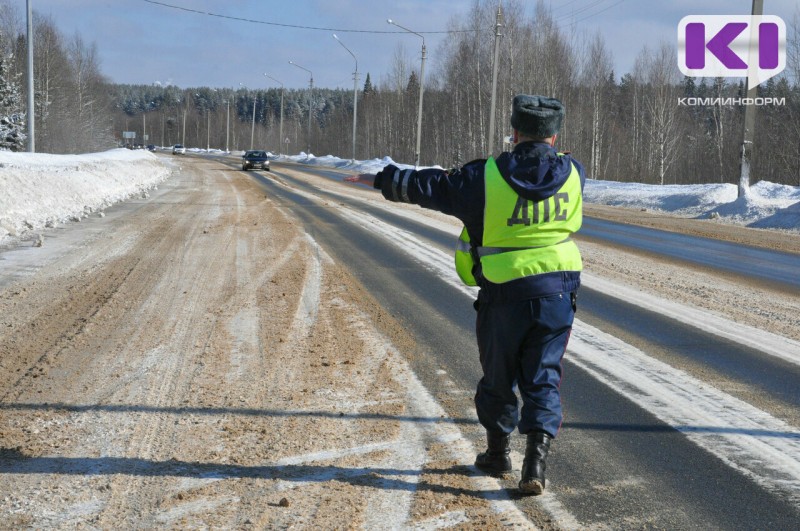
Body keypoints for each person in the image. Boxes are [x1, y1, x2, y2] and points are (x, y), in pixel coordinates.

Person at [344, 95, 585, 495]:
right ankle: (535, 464)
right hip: (558, 293)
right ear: (554, 135)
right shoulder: (574, 172)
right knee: (543, 377)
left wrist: (381, 179)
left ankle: (497, 453)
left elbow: (430, 186)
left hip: (504, 293)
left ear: (514, 133)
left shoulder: (485, 177)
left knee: (499, 376)